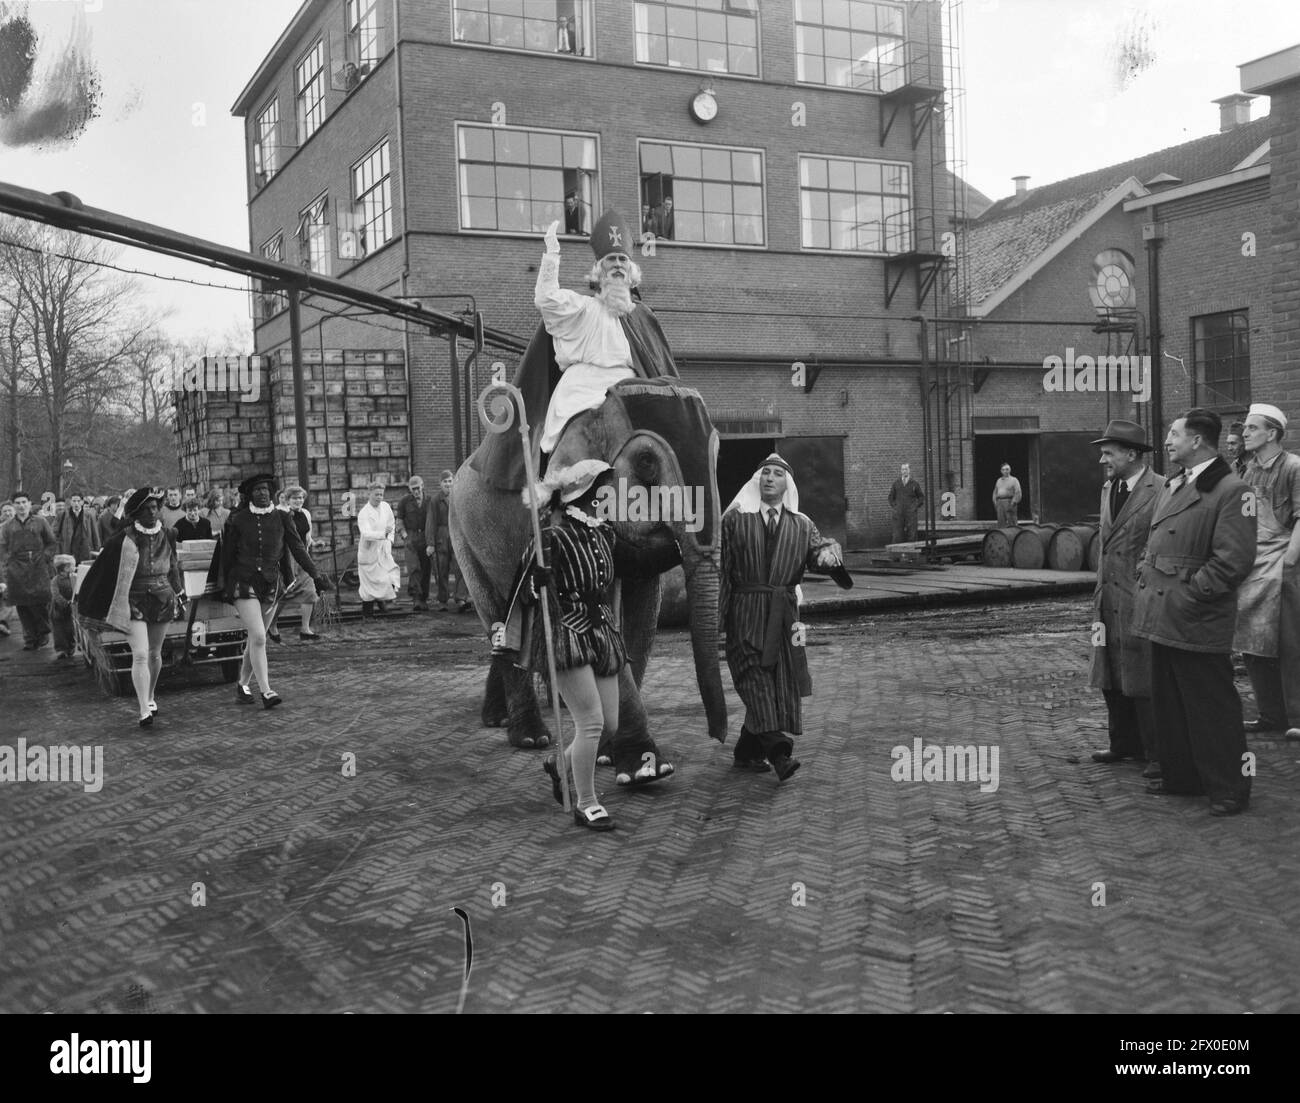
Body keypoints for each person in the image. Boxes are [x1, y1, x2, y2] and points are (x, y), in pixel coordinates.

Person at [470, 208, 679, 494]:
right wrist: (552, 255)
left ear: (631, 272)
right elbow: (546, 300)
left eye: (622, 260)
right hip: (584, 391)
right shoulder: (581, 307)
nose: (617, 265)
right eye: (611, 260)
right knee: (577, 438)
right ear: (599, 270)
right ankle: (559, 501)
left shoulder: (642, 317)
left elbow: (661, 368)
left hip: (632, 390)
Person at [504, 461, 657, 830]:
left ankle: (559, 766)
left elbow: (635, 562)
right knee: (590, 723)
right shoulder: (550, 538)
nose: (609, 495)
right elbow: (521, 594)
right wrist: (537, 582)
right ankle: (586, 803)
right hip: (566, 636)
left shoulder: (603, 534)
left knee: (610, 725)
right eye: (603, 490)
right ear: (585, 496)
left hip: (602, 634)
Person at [1131, 409, 1256, 816]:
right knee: (1170, 704)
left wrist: (1191, 594)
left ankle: (1229, 789)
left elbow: (1233, 561)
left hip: (1194, 615)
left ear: (1197, 441)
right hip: (1162, 614)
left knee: (1211, 707)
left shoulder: (1232, 490)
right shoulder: (1174, 484)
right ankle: (1182, 778)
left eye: (1173, 434)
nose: (1166, 441)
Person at [719, 454, 847, 781]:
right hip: (745, 613)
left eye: (777, 474)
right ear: (756, 480)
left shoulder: (802, 525)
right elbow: (722, 574)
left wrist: (829, 557)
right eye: (765, 473)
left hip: (786, 616)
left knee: (776, 681)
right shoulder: (734, 521)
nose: (770, 478)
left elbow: (817, 555)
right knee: (753, 678)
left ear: (786, 483)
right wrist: (717, 620)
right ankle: (778, 753)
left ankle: (747, 752)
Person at [1087, 420, 1165, 778]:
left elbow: (1161, 543)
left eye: (1109, 453)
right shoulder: (1108, 488)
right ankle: (1123, 744)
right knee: (1109, 673)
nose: (1103, 459)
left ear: (1131, 454)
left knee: (1142, 676)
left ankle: (1156, 752)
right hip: (1106, 599)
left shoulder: (1161, 489)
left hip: (1139, 597)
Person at [216, 473, 331, 708]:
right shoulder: (237, 519)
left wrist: (316, 575)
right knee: (259, 636)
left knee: (255, 639)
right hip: (243, 582)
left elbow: (298, 549)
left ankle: (242, 684)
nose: (263, 493)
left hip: (271, 585)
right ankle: (266, 691)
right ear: (250, 494)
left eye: (266, 489)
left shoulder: (282, 517)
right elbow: (226, 556)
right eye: (257, 490)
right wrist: (223, 587)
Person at [77, 487, 188, 726]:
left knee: (155, 653)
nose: (152, 511)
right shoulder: (122, 538)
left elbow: (174, 566)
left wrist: (180, 593)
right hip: (132, 600)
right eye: (147, 508)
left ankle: (150, 696)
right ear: (137, 513)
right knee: (139, 654)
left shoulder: (169, 534)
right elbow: (104, 570)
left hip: (162, 598)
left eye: (156, 507)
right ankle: (143, 710)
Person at [1232, 404, 1300, 741]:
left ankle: (1296, 716)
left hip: (1284, 563)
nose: (1244, 433)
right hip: (1253, 562)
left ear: (1271, 434)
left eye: (1252, 428)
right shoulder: (1248, 472)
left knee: (1290, 642)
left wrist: (1289, 561)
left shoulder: (1293, 467)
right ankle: (1269, 713)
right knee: (1252, 639)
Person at [0, 491, 57, 650]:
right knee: (22, 604)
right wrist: (8, 564)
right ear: (13, 505)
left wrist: (44, 557)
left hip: (38, 566)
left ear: (29, 503)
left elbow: (51, 542)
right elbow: (2, 548)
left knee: (40, 601)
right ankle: (30, 639)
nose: (21, 505)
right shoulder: (7, 527)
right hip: (16, 570)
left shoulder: (40, 522)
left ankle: (43, 632)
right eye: (17, 503)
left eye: (24, 502)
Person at [268, 485, 323, 642]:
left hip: (302, 557)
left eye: (301, 498)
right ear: (287, 499)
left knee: (309, 592)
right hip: (286, 559)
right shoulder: (280, 514)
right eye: (295, 498)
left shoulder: (305, 514)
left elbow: (306, 536)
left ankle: (305, 629)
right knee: (284, 594)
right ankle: (272, 624)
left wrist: (314, 543)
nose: (298, 501)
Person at [425, 470, 471, 612]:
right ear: (440, 484)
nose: (448, 484)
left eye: (450, 481)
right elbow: (431, 522)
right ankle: (443, 601)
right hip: (441, 538)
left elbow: (465, 519)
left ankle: (461, 598)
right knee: (441, 570)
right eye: (445, 482)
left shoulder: (459, 498)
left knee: (461, 568)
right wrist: (431, 543)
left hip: (457, 537)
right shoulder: (435, 500)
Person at [356, 481, 398, 616]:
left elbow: (391, 524)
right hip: (369, 552)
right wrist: (382, 535)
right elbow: (366, 534)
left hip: (383, 550)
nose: (379, 497)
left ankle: (381, 604)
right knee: (368, 585)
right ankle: (367, 613)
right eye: (376, 494)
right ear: (369, 494)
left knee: (385, 578)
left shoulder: (386, 507)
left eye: (381, 494)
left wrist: (389, 540)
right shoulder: (364, 513)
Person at [395, 475, 432, 611]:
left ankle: (424, 598)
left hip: (425, 537)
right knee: (414, 568)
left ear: (422, 486)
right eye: (413, 489)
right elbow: (399, 520)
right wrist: (405, 536)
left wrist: (431, 540)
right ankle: (416, 598)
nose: (416, 491)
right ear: (410, 489)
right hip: (411, 537)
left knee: (426, 568)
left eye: (418, 488)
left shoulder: (429, 501)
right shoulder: (404, 502)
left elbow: (433, 521)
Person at [54, 492, 100, 562]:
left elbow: (95, 536)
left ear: (82, 502)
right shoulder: (62, 515)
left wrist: (97, 551)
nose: (76, 503)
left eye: (78, 501)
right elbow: (55, 534)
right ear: (70, 502)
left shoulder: (89, 516)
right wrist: (57, 552)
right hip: (68, 552)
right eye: (74, 501)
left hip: (84, 552)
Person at [888, 462, 925, 544]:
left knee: (912, 534)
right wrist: (895, 507)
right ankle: (897, 555)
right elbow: (890, 497)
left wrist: (915, 506)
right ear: (901, 471)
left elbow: (921, 497)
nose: (904, 471)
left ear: (909, 471)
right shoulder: (896, 484)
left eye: (906, 469)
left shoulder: (914, 484)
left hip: (910, 513)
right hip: (898, 513)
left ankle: (911, 555)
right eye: (903, 469)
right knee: (897, 534)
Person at [49, 553, 77, 661]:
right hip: (58, 609)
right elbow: (56, 594)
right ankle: (61, 649)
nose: (74, 568)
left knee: (70, 629)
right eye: (72, 566)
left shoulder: (73, 578)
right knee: (59, 630)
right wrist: (65, 603)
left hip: (70, 609)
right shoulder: (55, 580)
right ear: (65, 568)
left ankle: (70, 646)